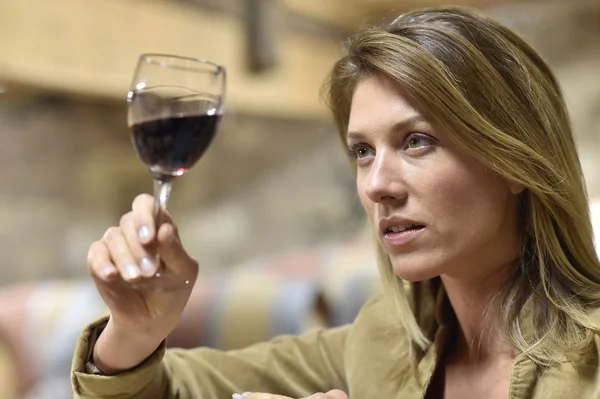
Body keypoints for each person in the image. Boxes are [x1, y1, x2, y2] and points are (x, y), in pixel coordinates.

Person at [71, 6, 600, 399]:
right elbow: (171, 391)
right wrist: (135, 331)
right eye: (363, 152)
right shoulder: (381, 342)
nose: (376, 185)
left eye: (416, 141)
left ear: (514, 162)